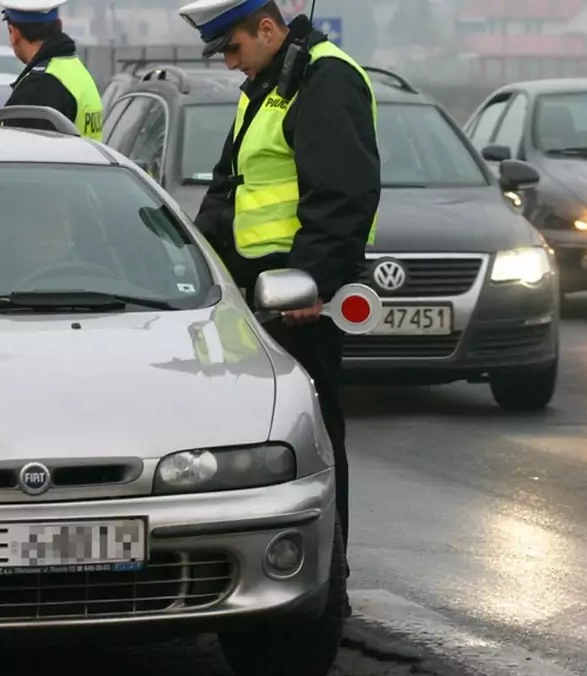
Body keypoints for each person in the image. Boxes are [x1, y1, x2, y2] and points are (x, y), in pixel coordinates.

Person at [180, 0, 381, 617]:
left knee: (309, 444)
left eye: (234, 48)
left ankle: (326, 588)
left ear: (267, 27)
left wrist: (309, 282)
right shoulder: (267, 83)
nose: (231, 63)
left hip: (294, 304)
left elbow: (343, 194)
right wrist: (192, 266)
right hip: (247, 300)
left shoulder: (325, 78)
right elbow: (229, 189)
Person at [0, 0, 103, 140]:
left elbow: (18, 156)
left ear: (13, 33)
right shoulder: (75, 69)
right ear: (59, 25)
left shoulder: (38, 87)